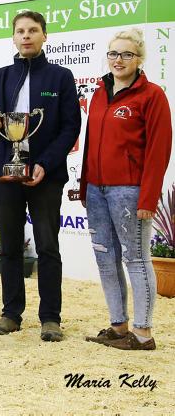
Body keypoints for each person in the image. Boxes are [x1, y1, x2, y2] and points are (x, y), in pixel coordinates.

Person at [0, 11, 80, 342]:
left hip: (46, 176)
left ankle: (50, 318)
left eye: (33, 30)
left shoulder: (61, 77)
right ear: (13, 37)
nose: (26, 36)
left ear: (44, 35)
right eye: (20, 31)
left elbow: (70, 127)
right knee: (9, 246)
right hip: (5, 173)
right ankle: (11, 314)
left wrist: (46, 164)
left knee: (48, 246)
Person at [80, 28, 171, 350]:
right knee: (106, 259)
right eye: (113, 53)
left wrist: (148, 198)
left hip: (129, 191)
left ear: (139, 59)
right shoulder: (99, 93)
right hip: (96, 190)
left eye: (127, 54)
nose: (119, 60)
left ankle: (143, 334)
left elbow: (159, 151)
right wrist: (85, 185)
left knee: (136, 259)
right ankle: (119, 327)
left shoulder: (152, 95)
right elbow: (91, 143)